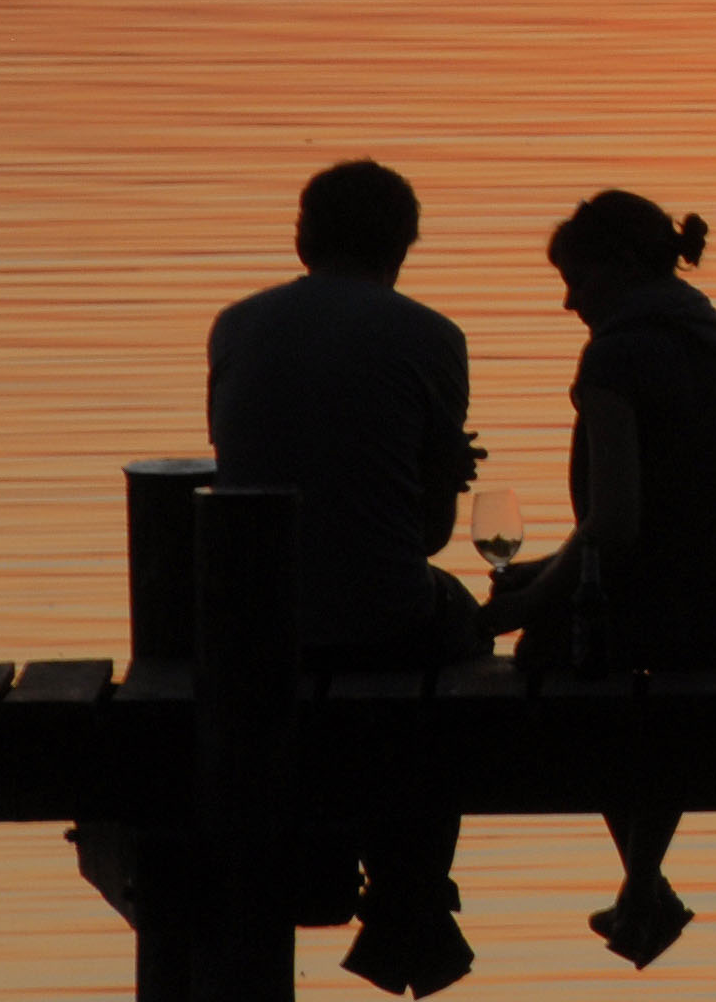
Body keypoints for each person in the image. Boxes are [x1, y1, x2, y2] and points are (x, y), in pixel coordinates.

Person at [481, 192, 716, 968]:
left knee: (556, 655)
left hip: (652, 614)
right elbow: (683, 518)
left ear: (624, 267)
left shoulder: (615, 357)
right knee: (644, 682)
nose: (569, 302)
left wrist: (518, 607)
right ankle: (643, 888)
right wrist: (547, 572)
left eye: (577, 279)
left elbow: (617, 526)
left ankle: (643, 884)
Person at [207, 158, 483, 997]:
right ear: (404, 245)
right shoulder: (431, 337)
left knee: (371, 631)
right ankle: (410, 887)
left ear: (303, 239)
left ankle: (332, 858)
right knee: (460, 627)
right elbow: (427, 536)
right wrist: (442, 475)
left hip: (255, 628)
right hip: (381, 623)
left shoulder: (236, 327)